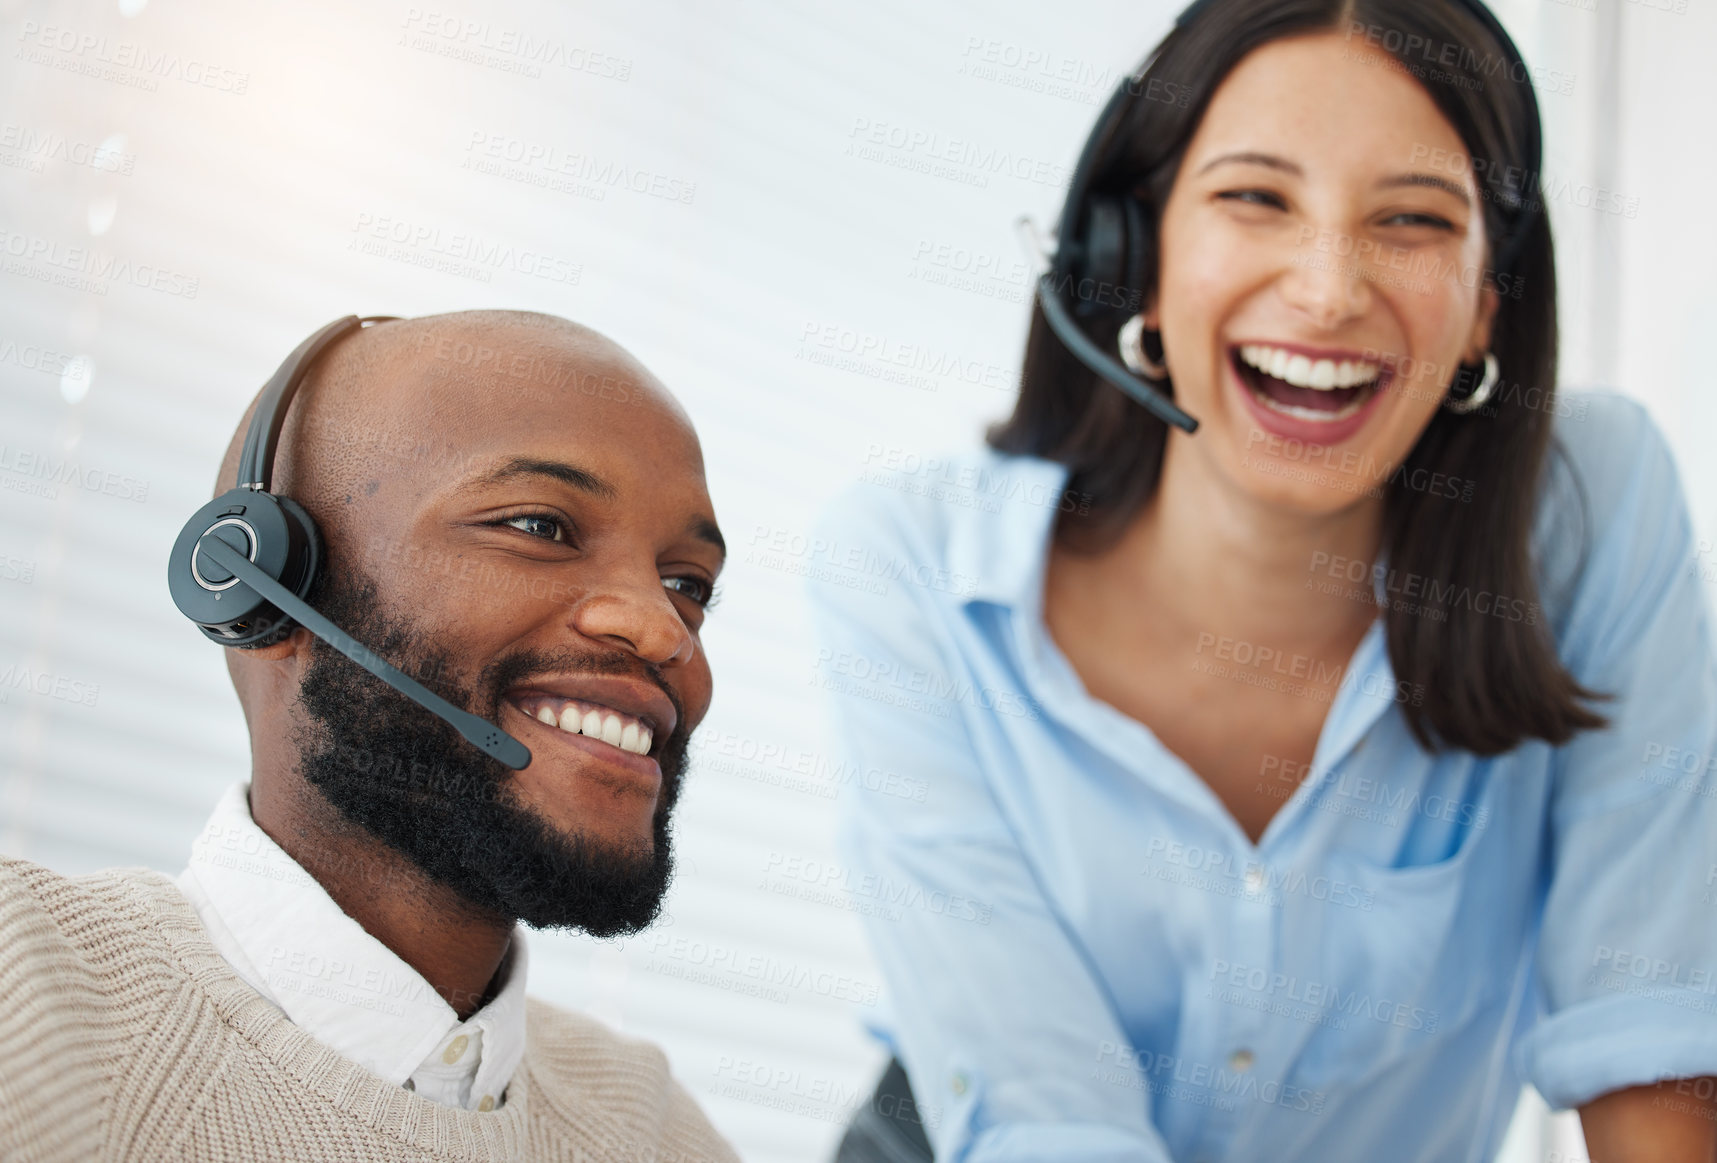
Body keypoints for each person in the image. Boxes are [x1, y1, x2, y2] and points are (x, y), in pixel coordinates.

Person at [811, 2, 1717, 1161]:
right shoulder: (912, 565)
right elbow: (1048, 1120)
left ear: (1489, 299)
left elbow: (1645, 1018)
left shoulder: (1592, 507)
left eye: (1411, 218)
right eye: (1256, 198)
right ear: (1132, 256)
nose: (1329, 289)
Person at [0, 311, 739, 1162]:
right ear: (258, 588)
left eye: (688, 583)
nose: (660, 628)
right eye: (540, 526)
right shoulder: (30, 1003)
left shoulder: (649, 1128)